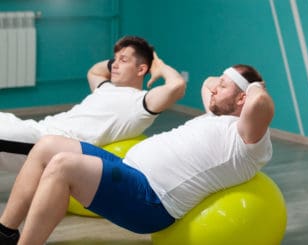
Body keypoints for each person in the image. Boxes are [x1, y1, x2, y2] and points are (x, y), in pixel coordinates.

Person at [0, 64, 274, 244]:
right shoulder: (217, 113)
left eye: (224, 87)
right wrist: (230, 82)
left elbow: (259, 101)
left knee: (62, 165)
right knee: (48, 144)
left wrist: (253, 84)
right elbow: (207, 82)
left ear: (242, 100)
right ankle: (6, 232)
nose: (214, 89)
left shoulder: (249, 137)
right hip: (128, 170)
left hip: (150, 200)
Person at [0, 35, 186, 172]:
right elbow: (94, 72)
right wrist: (118, 59)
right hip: (36, 127)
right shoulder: (106, 88)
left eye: (123, 60)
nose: (114, 64)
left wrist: (159, 66)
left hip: (48, 142)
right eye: (115, 59)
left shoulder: (140, 103)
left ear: (141, 69)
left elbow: (177, 86)